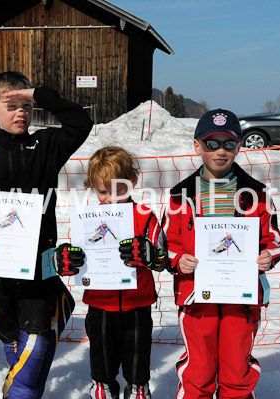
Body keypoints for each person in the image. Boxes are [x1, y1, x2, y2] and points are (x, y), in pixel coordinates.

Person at [0, 71, 93, 398]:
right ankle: (21, 391)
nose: (21, 112)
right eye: (11, 105)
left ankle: (17, 393)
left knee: (38, 338)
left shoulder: (47, 145)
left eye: (26, 106)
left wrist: (38, 93)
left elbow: (80, 123)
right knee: (13, 341)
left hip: (40, 267)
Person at [162, 109, 280, 399]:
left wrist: (268, 255)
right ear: (197, 145)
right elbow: (167, 243)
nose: (220, 151)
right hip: (196, 295)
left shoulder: (256, 194)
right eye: (211, 143)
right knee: (200, 366)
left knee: (236, 366)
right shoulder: (181, 196)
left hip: (240, 297)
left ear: (239, 146)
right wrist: (179, 260)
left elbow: (275, 240)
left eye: (229, 144)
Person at [53, 146, 168, 399]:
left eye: (120, 189)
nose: (111, 197)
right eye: (103, 191)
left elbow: (162, 258)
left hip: (137, 302)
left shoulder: (145, 216)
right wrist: (66, 259)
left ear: (132, 181)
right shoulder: (88, 218)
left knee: (137, 353)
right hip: (100, 301)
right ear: (94, 187)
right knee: (102, 353)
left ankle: (138, 386)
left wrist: (150, 254)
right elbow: (76, 255)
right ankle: (102, 385)